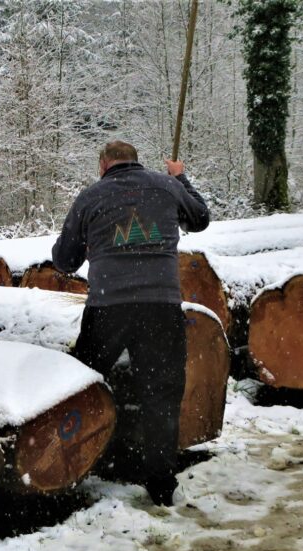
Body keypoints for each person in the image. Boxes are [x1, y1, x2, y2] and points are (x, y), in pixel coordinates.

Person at [51, 140, 210, 505]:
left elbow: (64, 261)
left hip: (109, 306)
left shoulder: (90, 197)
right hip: (160, 305)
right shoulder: (166, 186)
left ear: (103, 165)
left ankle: (70, 465)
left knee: (82, 385)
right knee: (161, 394)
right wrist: (180, 178)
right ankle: (161, 483)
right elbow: (200, 218)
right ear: (136, 162)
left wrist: (88, 245)